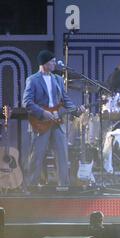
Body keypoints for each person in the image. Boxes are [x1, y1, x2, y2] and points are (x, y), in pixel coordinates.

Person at [23, 50, 85, 188]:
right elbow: (27, 102)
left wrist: (76, 111)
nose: (54, 63)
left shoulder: (57, 79)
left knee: (63, 154)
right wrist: (43, 113)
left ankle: (64, 186)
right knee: (37, 155)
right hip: (41, 122)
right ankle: (31, 187)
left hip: (56, 121)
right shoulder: (33, 80)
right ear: (44, 63)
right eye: (52, 61)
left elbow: (65, 99)